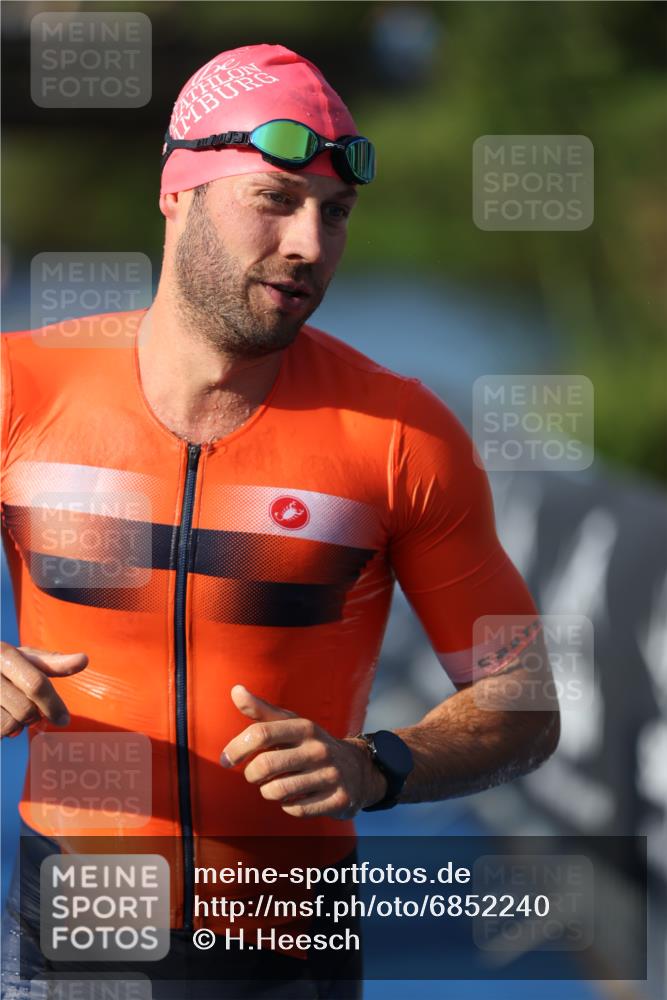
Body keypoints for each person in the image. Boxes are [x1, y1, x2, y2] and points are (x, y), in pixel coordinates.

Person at [1, 43, 559, 999]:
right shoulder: (21, 388)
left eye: (334, 213)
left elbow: (523, 699)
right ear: (177, 193)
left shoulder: (400, 434)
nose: (308, 243)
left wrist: (376, 765)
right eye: (275, 199)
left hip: (284, 943)